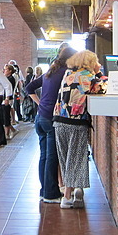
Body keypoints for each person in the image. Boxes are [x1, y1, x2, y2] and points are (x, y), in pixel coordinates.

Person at [24, 45, 75, 203]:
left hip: (40, 118)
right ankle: (51, 194)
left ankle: (44, 190)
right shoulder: (66, 74)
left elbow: (29, 87)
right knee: (52, 156)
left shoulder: (50, 72)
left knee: (44, 155)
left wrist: (40, 103)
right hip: (52, 119)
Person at [53, 50, 104, 209]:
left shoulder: (69, 73)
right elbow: (102, 88)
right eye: (96, 61)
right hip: (76, 121)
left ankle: (77, 191)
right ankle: (68, 196)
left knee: (65, 158)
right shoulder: (88, 77)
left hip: (59, 120)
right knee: (75, 158)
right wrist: (99, 73)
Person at [3, 64, 18, 140]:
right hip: (6, 98)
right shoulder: (7, 78)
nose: (4, 71)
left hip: (8, 99)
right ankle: (12, 130)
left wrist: (7, 98)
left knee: (6, 115)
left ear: (10, 71)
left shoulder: (10, 79)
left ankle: (7, 133)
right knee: (5, 115)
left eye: (5, 69)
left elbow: (8, 88)